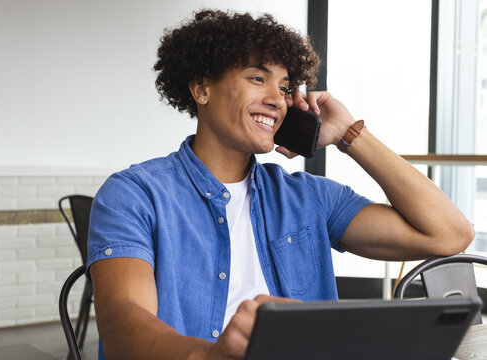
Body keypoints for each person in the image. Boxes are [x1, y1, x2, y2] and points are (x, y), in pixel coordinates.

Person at [87, 10, 474, 360]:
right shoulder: (135, 194)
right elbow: (123, 323)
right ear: (201, 88)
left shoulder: (309, 197)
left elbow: (449, 234)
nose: (278, 100)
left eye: (287, 88)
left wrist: (350, 135)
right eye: (258, 79)